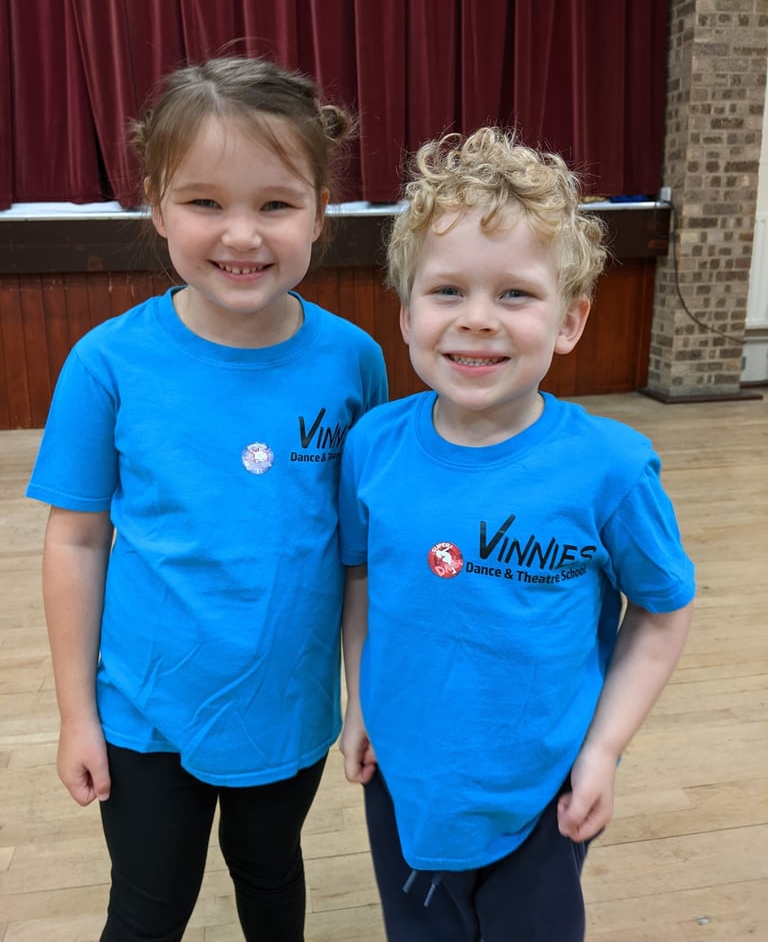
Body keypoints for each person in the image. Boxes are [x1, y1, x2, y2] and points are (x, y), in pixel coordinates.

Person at [26, 56, 387, 942]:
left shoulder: (354, 362)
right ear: (155, 205)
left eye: (274, 203)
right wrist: (78, 715)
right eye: (204, 202)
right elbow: (75, 544)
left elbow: (359, 556)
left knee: (272, 880)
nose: (242, 235)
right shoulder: (106, 364)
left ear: (318, 209)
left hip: (288, 710)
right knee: (148, 907)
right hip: (144, 715)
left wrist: (364, 696)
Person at [338, 127, 694, 941]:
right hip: (404, 778)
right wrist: (360, 702)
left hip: (545, 790)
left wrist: (602, 749)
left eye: (514, 295)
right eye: (448, 291)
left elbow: (663, 610)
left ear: (569, 321)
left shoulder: (611, 467)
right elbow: (359, 581)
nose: (477, 321)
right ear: (404, 313)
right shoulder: (371, 449)